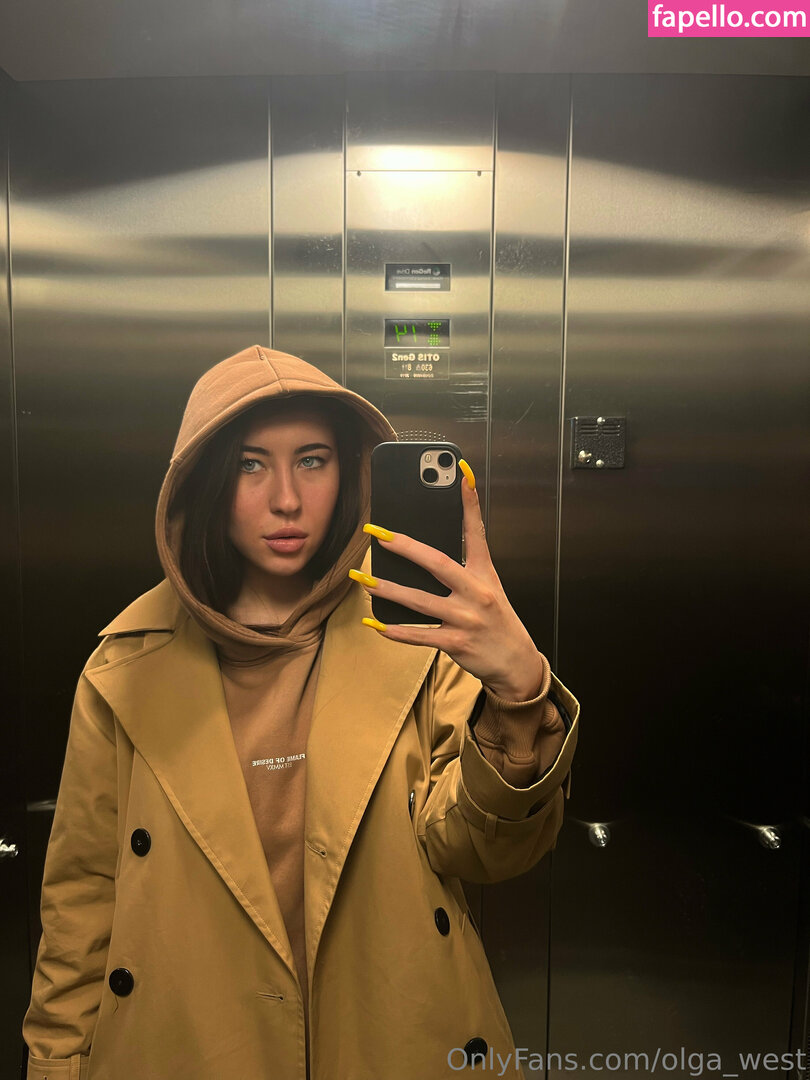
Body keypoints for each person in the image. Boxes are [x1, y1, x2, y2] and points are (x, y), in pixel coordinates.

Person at [23, 345, 579, 1080]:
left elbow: (483, 851)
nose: (286, 499)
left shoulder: (418, 635)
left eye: (312, 461)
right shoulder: (124, 670)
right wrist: (55, 1066)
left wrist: (518, 696)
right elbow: (81, 903)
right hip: (190, 1046)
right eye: (250, 465)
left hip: (391, 1037)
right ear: (206, 481)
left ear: (349, 471)